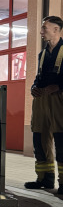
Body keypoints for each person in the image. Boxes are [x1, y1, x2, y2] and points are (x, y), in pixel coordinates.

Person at [25, 16, 63, 193]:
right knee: (39, 139)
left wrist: (58, 86)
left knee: (61, 140)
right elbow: (39, 76)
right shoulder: (43, 54)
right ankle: (44, 178)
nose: (41, 32)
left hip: (59, 100)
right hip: (41, 101)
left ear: (56, 29)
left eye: (44, 28)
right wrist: (34, 87)